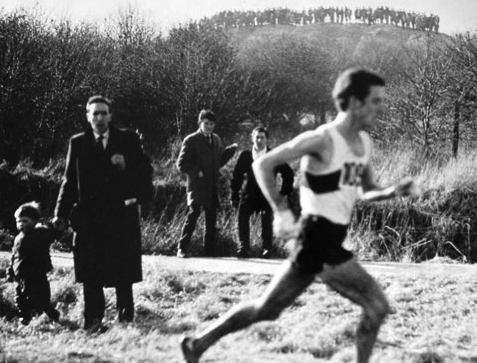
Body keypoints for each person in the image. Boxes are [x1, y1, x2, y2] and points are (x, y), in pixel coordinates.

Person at [181, 68, 418, 363]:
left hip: (323, 241)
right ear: (355, 102)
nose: (381, 107)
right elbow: (263, 164)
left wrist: (394, 190)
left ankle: (198, 344)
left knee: (266, 309)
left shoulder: (364, 143)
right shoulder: (323, 139)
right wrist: (281, 211)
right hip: (318, 237)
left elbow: (367, 190)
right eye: (376, 101)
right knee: (377, 305)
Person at [53, 95, 152, 332]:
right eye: (94, 113)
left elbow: (145, 172)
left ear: (110, 116)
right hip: (90, 219)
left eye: (103, 113)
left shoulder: (127, 139)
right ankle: (93, 322)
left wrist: (125, 166)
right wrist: (60, 214)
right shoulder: (78, 143)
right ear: (88, 116)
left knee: (123, 272)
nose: (99, 118)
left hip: (120, 217)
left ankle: (126, 321)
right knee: (90, 272)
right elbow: (69, 181)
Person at [176, 110, 238, 258]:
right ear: (200, 123)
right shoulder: (191, 140)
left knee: (211, 220)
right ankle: (181, 248)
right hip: (197, 185)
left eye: (211, 124)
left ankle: (209, 252)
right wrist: (197, 172)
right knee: (193, 215)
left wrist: (229, 152)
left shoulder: (216, 139)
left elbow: (218, 163)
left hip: (211, 185)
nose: (209, 126)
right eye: (206, 123)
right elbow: (181, 164)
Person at [230, 126, 294, 258]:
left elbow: (288, 173)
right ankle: (244, 247)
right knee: (242, 216)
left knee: (266, 218)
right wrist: (234, 194)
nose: (259, 140)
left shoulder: (273, 155)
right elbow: (237, 176)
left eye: (262, 137)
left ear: (267, 139)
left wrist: (284, 192)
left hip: (267, 195)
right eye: (257, 137)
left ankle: (267, 248)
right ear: (252, 139)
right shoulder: (245, 155)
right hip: (249, 193)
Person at [8, 202, 65, 325]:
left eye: (25, 221)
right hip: (21, 276)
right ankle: (24, 318)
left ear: (34, 222)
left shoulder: (40, 234)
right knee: (20, 299)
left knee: (41, 299)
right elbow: (14, 256)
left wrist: (57, 227)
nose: (21, 224)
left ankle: (52, 315)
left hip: (36, 275)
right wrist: (10, 271)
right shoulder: (18, 237)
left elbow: (52, 233)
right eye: (19, 221)